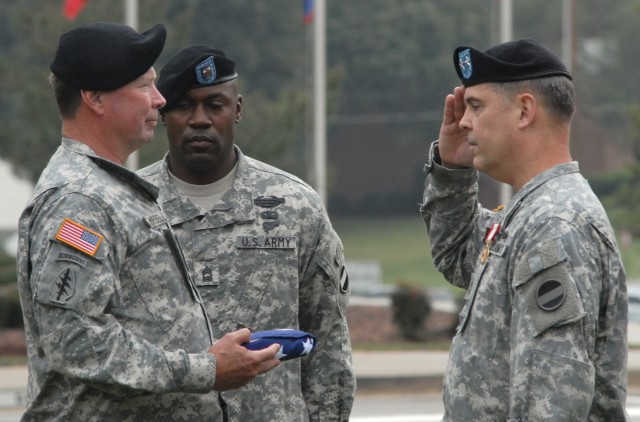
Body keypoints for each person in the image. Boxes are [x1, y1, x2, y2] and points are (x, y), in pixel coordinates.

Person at [17, 23, 280, 421]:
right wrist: (206, 370)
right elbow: (72, 341)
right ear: (95, 99)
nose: (159, 100)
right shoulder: (81, 199)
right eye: (144, 86)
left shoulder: (108, 189)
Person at [137, 45, 356, 421]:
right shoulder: (130, 208)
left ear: (237, 109)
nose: (200, 120)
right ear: (162, 113)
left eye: (215, 105)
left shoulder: (295, 206)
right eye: (184, 106)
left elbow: (328, 344)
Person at [420, 38, 628, 420]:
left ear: (524, 111)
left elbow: (551, 400)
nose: (464, 121)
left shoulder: (554, 225)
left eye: (476, 106)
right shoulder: (530, 211)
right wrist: (451, 172)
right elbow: (458, 254)